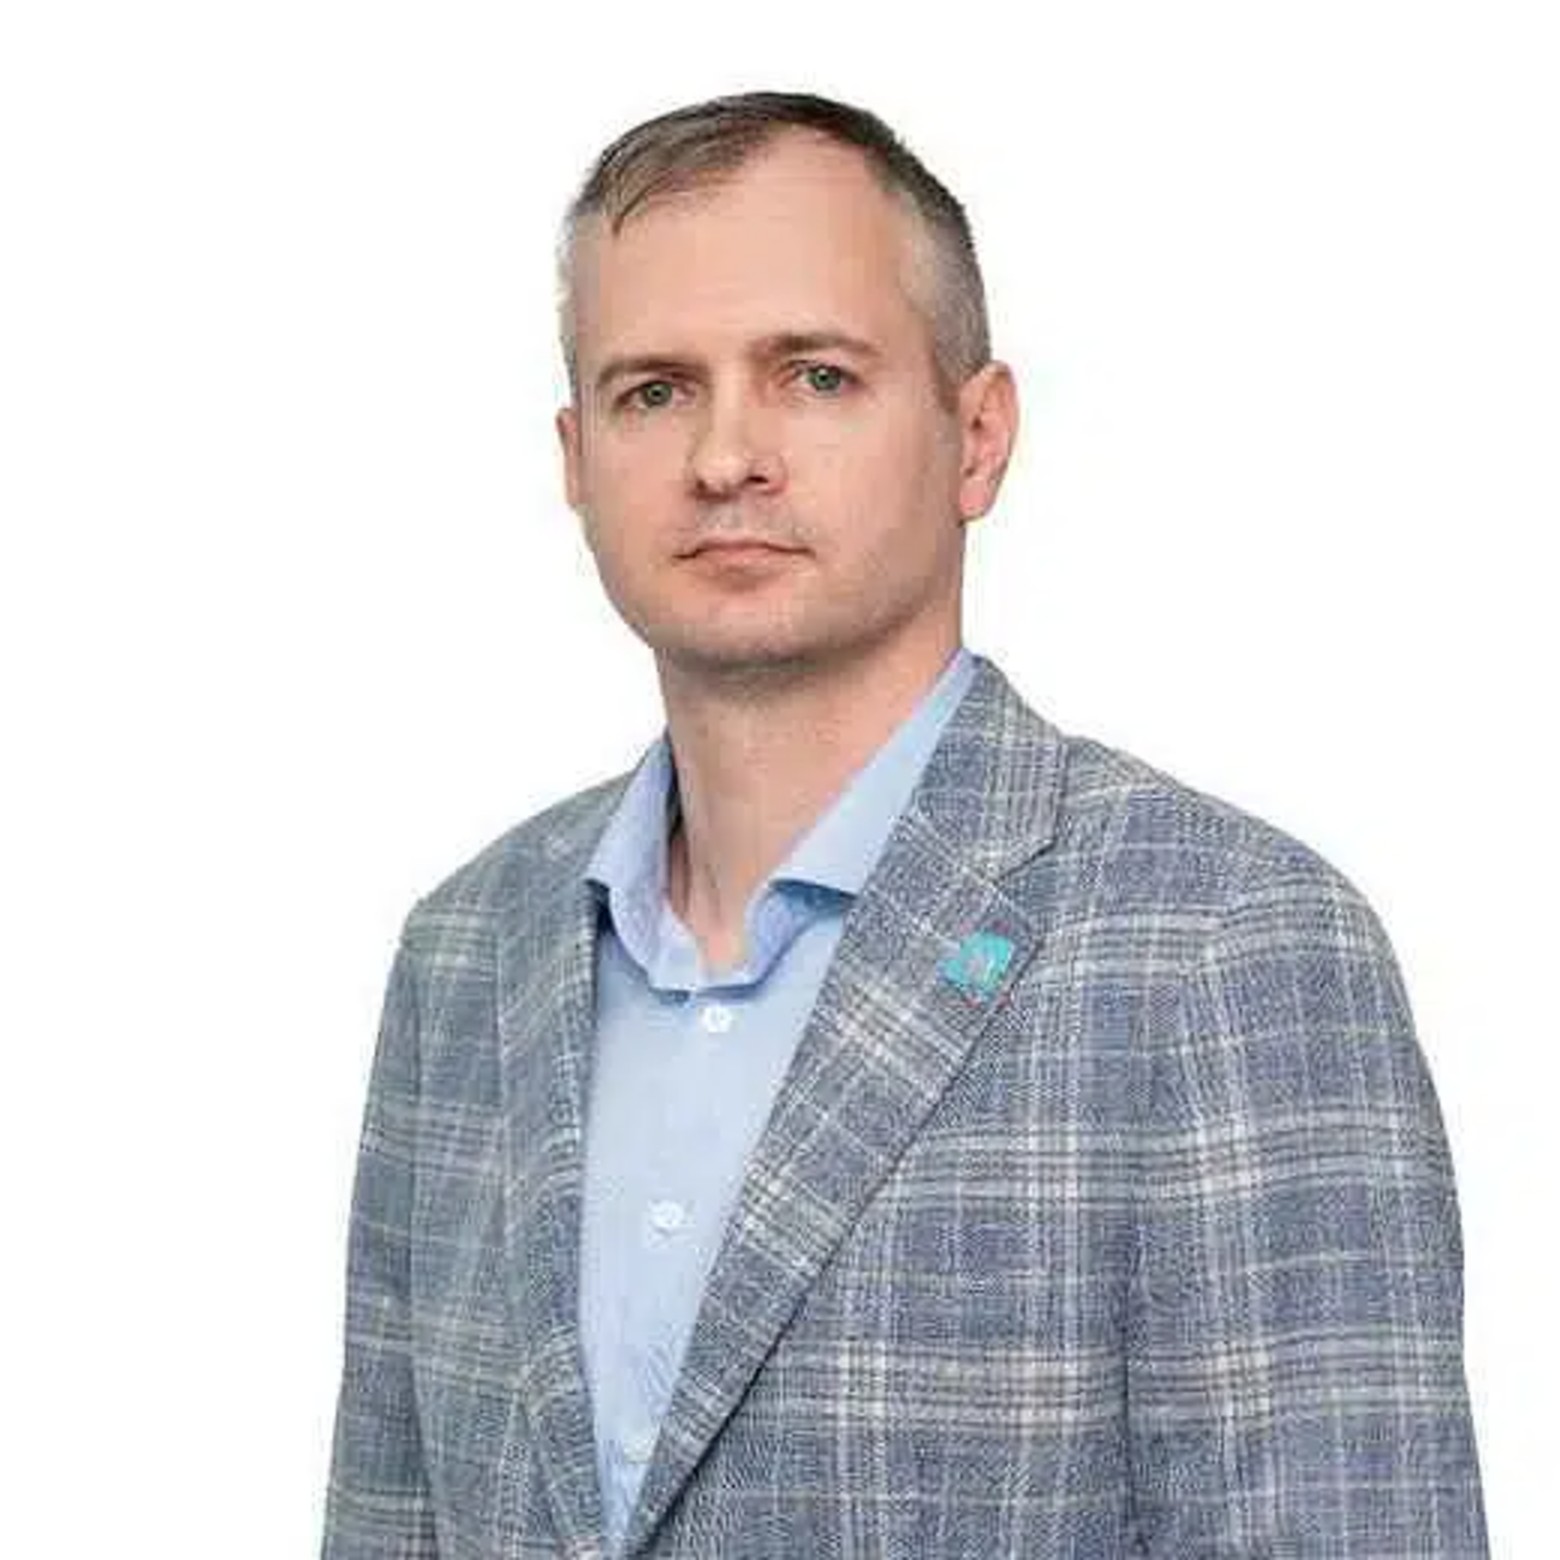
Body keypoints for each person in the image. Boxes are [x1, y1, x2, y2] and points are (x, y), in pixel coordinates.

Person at [320, 90, 1488, 1558]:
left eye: (814, 375)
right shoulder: (466, 953)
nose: (726, 456)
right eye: (655, 391)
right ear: (574, 458)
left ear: (976, 437)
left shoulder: (1226, 950)